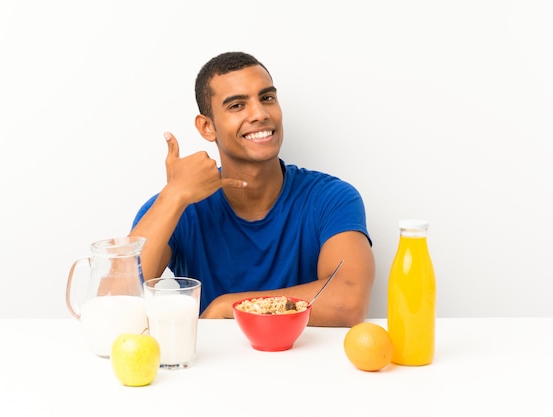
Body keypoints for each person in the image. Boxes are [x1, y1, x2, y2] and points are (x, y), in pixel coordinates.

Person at [129, 51, 375, 327]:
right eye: (236, 106)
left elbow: (347, 303)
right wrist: (173, 196)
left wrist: (229, 306)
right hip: (213, 365)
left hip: (307, 362)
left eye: (267, 98)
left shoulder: (332, 198)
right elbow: (118, 302)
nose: (260, 114)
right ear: (207, 127)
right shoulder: (177, 207)